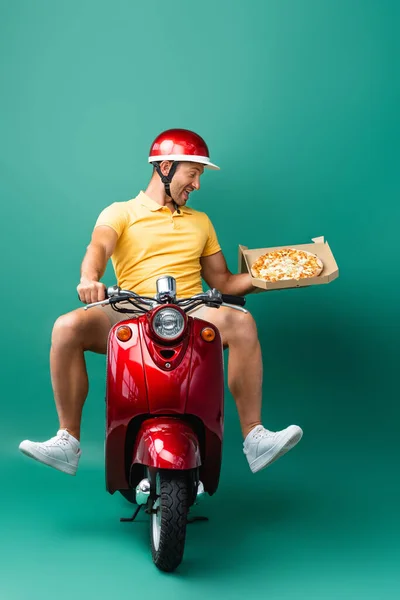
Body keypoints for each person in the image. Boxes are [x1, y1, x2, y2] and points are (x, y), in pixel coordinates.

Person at [19, 128, 303, 476]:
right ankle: (68, 441)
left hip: (190, 310)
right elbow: (99, 248)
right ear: (166, 167)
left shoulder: (201, 222)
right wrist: (89, 279)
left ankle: (255, 438)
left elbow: (224, 281)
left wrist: (275, 273)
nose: (197, 184)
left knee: (242, 322)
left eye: (199, 175)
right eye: (193, 173)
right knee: (66, 327)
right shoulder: (120, 212)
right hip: (130, 308)